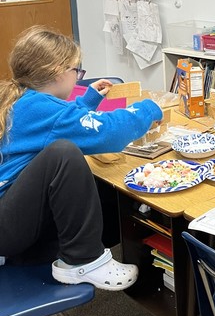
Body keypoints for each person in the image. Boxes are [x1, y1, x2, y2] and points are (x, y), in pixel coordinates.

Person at [0, 26, 163, 290]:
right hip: (7, 230)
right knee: (63, 154)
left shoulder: (23, 98)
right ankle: (82, 261)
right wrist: (148, 108)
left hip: (15, 218)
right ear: (57, 71)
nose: (78, 77)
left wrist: (88, 102)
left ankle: (86, 247)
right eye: (76, 71)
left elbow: (53, 125)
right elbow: (111, 132)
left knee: (91, 182)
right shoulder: (39, 108)